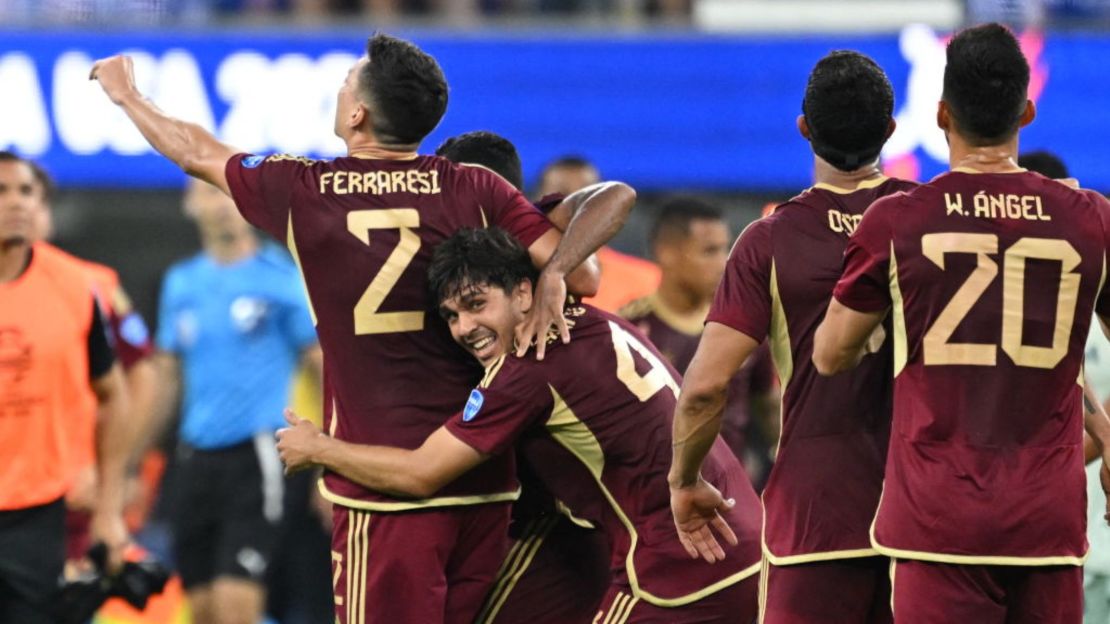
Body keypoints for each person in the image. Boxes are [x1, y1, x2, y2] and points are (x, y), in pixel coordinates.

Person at [91, 32, 630, 623]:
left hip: (383, 489)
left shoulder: (305, 189)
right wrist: (552, 273)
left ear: (358, 113)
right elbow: (586, 273)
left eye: (348, 79)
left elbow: (195, 150)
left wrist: (128, 96)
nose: (341, 85)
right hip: (484, 482)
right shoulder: (475, 187)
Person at [276, 226, 764, 623]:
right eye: (450, 315)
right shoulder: (598, 319)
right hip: (745, 544)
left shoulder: (526, 373)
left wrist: (320, 448)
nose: (464, 327)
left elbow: (421, 473)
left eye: (475, 303)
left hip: (680, 565)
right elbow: (614, 196)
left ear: (525, 291)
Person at [812, 24, 1110, 623]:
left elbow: (830, 355)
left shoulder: (894, 221)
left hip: (936, 520)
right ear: (1027, 112)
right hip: (1045, 519)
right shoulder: (1092, 220)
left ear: (941, 112)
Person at [668, 50, 915, 623]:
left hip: (816, 514)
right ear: (890, 130)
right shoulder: (932, 222)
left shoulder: (768, 241)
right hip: (926, 511)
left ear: (803, 128)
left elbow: (704, 388)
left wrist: (684, 481)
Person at [435, 130, 613, 624]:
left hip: (555, 511)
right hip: (505, 488)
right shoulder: (443, 256)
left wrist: (554, 271)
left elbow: (590, 271)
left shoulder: (531, 238)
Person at [149, 178, 321, 624]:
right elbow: (166, 378)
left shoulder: (279, 278)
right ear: (190, 203)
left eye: (228, 192)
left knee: (235, 607)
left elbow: (323, 368)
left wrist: (331, 461)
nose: (222, 205)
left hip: (257, 456)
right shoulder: (181, 283)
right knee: (202, 610)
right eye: (208, 192)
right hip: (193, 459)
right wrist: (134, 462)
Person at [0, 151, 134, 622]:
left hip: (42, 513)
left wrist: (109, 507)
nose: (16, 203)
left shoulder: (76, 287)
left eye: (25, 191)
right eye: (2, 191)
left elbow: (116, 394)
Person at [26, 160, 159, 566]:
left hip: (66, 487)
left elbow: (141, 375)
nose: (17, 208)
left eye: (30, 196)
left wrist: (111, 471)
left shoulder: (90, 285)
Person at [619, 197, 777, 482]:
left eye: (725, 248)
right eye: (710, 251)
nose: (724, 261)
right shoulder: (629, 331)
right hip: (653, 500)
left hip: (732, 499)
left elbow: (769, 410)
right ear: (666, 253)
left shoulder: (745, 327)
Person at [538, 156, 661, 312]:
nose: (577, 207)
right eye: (562, 195)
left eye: (589, 198)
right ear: (538, 203)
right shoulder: (517, 282)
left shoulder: (649, 282)